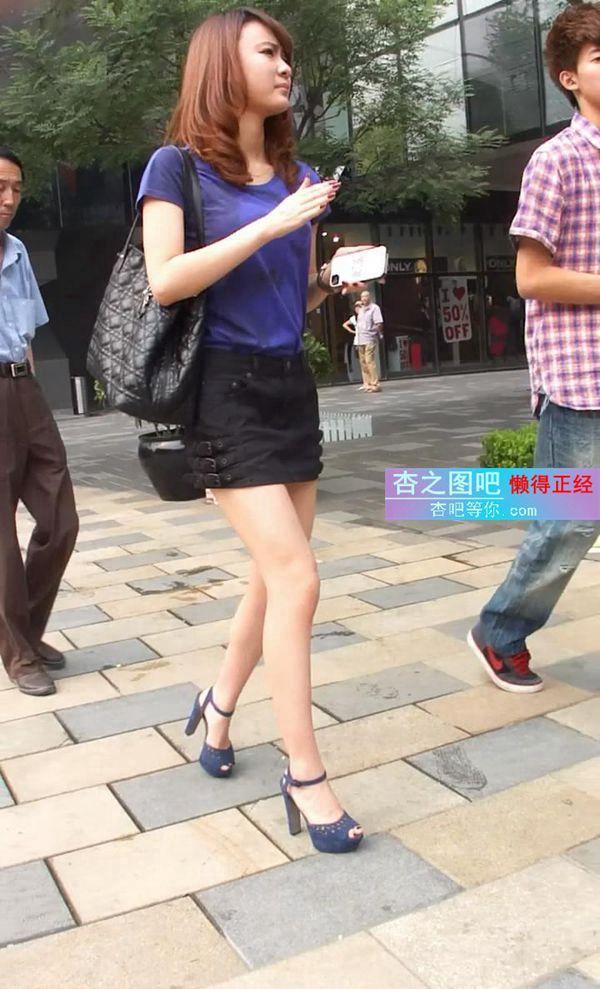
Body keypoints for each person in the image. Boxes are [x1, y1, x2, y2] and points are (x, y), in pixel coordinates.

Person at [137, 8, 367, 853]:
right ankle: (305, 773)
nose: (284, 67)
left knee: (274, 579)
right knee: (297, 576)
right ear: (222, 64)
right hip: (222, 390)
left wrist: (330, 280)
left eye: (285, 55)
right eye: (268, 51)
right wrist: (271, 222)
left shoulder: (293, 174)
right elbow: (167, 280)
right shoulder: (176, 167)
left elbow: (286, 299)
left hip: (288, 384)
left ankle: (218, 706)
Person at [468, 2, 600, 694]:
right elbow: (530, 277)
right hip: (582, 376)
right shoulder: (557, 161)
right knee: (569, 524)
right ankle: (500, 631)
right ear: (568, 77)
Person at [0, 147, 79, 696]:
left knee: (61, 519)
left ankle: (21, 630)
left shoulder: (18, 251)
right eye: (0, 187)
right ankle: (19, 653)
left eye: (16, 189)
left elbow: (27, 331)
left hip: (23, 388)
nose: (9, 199)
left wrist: (31, 391)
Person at [355, 289, 383, 392]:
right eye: (362, 297)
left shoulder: (374, 308)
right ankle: (367, 384)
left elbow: (379, 323)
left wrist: (375, 333)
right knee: (363, 362)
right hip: (360, 339)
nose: (364, 299)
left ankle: (375, 384)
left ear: (369, 297)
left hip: (369, 338)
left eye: (365, 296)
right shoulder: (361, 310)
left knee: (369, 360)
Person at [342, 300, 362, 381]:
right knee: (361, 360)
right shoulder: (354, 318)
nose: (358, 308)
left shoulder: (365, 315)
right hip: (358, 341)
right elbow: (344, 324)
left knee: (368, 360)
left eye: (360, 306)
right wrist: (352, 331)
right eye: (356, 307)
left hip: (367, 339)